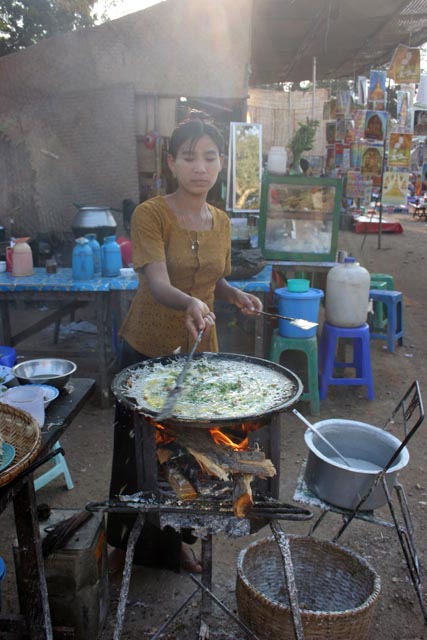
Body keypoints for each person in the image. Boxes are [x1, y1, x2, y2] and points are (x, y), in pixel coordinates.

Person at [107, 117, 263, 575]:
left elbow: (215, 274)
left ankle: (178, 543)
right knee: (134, 449)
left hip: (199, 354)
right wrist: (192, 300)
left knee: (190, 451)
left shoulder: (222, 221)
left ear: (222, 163)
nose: (200, 167)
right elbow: (157, 283)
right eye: (189, 157)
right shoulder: (151, 214)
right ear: (171, 162)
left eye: (210, 157)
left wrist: (233, 294)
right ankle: (122, 543)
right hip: (147, 351)